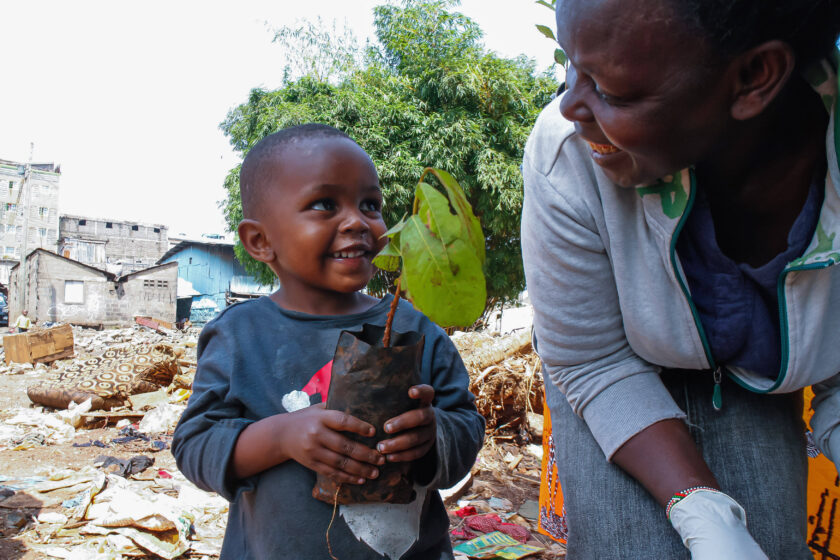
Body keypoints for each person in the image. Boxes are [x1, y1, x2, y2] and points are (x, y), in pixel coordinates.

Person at [521, 0, 840, 558]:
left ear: (753, 77)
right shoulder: (566, 151)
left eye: (611, 91)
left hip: (755, 385)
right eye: (572, 67)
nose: (571, 106)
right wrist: (703, 509)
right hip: (614, 370)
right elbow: (592, 360)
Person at [172, 124, 485, 559]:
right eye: (325, 204)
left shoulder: (417, 332)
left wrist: (434, 440)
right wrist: (282, 437)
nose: (358, 221)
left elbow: (466, 425)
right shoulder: (239, 336)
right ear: (260, 241)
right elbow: (195, 443)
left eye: (370, 204)